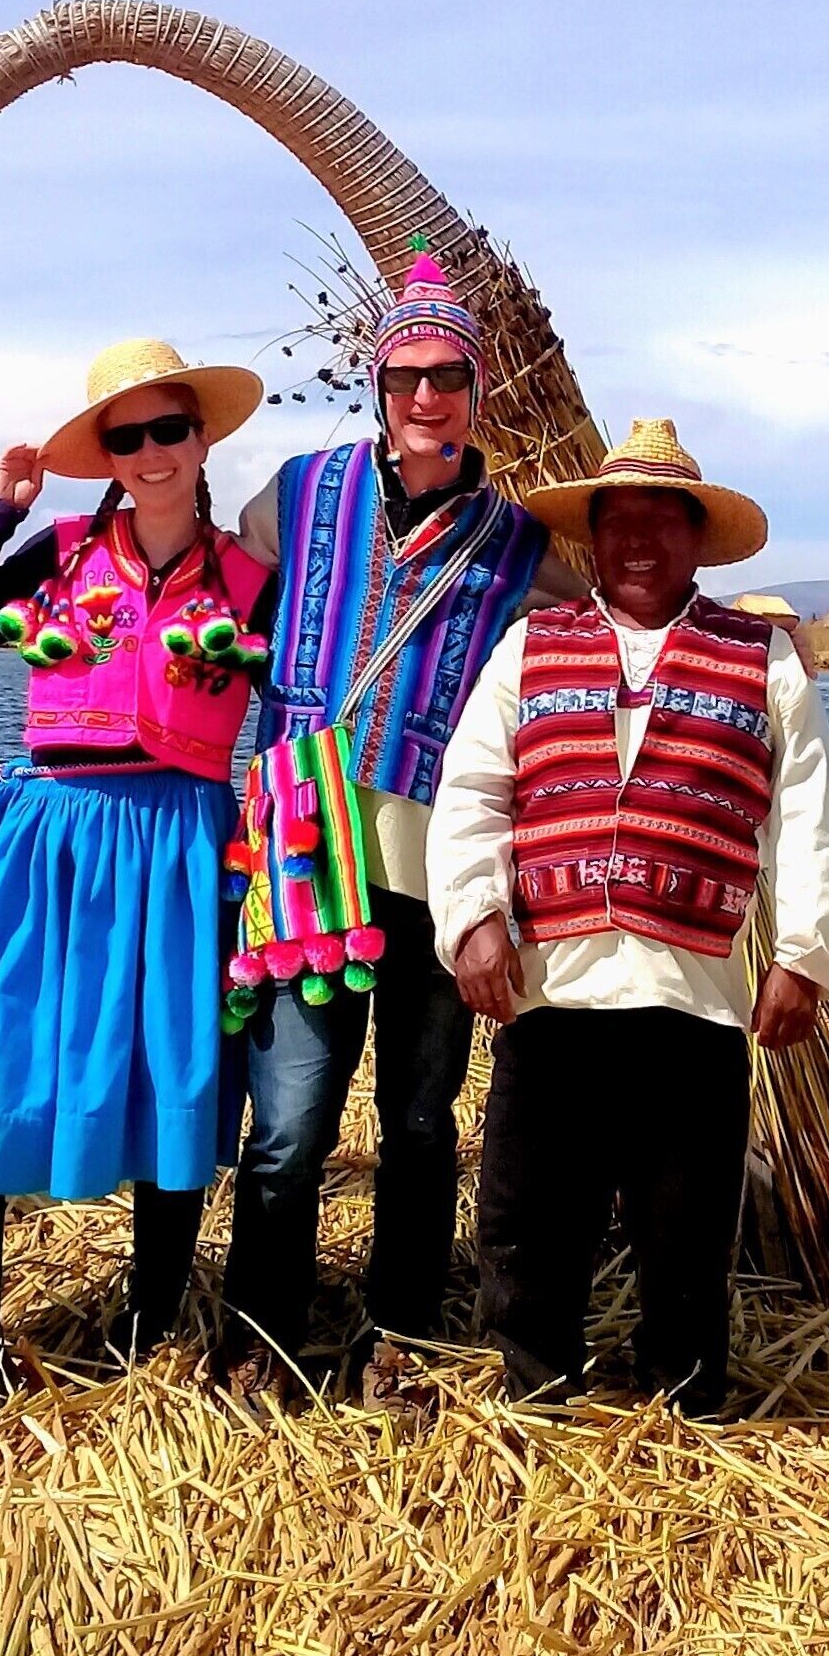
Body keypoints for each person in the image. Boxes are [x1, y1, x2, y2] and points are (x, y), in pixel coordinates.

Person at [0, 340, 272, 1425]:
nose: (151, 452)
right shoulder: (59, 548)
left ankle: (148, 1322)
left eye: (169, 429)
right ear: (106, 456)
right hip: (49, 833)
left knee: (170, 1071)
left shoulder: (251, 582)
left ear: (201, 439)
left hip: (178, 839)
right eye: (126, 437)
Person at [427, 418, 829, 1418]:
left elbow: (807, 813)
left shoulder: (762, 662)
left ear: (696, 538)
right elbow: (473, 792)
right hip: (555, 988)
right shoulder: (531, 647)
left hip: (692, 994)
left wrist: (803, 955)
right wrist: (475, 916)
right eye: (618, 520)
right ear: (592, 537)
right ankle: (540, 1388)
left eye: (661, 521)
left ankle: (686, 1392)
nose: (636, 540)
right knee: (530, 1209)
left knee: (686, 1217)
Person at [221, 246, 585, 1402]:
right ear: (376, 387)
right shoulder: (295, 493)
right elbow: (223, 603)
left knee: (421, 1119)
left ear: (478, 395)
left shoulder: (519, 544)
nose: (424, 397)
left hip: (435, 870)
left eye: (446, 378)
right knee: (288, 1122)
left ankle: (398, 1333)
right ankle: (261, 1330)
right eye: (404, 376)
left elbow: (577, 656)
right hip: (303, 856)